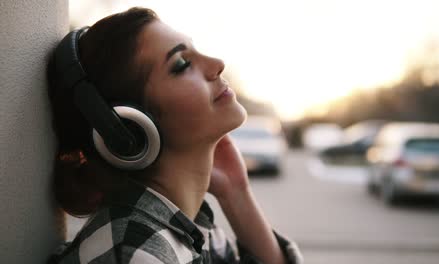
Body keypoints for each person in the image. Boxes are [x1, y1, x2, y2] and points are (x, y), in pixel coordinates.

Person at [47, 7, 303, 264]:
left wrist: (237, 193)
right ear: (129, 127)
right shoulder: (137, 254)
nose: (218, 64)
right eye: (182, 64)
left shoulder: (189, 228)